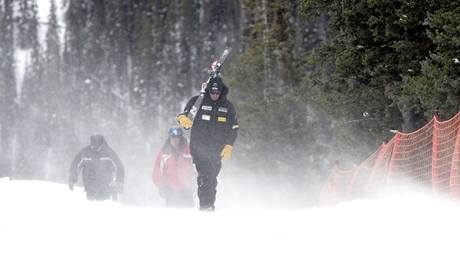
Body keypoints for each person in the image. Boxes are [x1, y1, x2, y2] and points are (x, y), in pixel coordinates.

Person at [176, 76, 239, 211]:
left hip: (217, 150)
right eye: (212, 92)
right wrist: (183, 119)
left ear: (222, 92)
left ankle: (208, 205)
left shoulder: (228, 107)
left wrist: (229, 145)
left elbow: (234, 128)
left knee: (212, 177)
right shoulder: (198, 102)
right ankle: (205, 205)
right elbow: (184, 115)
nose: (215, 95)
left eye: (217, 93)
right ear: (209, 91)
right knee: (205, 175)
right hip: (199, 147)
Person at [69, 134, 124, 201]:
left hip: (105, 186)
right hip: (90, 186)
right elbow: (75, 164)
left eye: (97, 146)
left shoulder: (109, 152)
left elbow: (119, 166)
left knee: (104, 205)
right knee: (92, 206)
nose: (95, 147)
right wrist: (72, 179)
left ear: (101, 144)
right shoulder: (85, 152)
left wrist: (119, 182)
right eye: (93, 145)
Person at [152, 127, 195, 208]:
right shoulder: (164, 153)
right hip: (170, 190)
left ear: (181, 138)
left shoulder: (189, 151)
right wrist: (161, 186)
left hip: (186, 189)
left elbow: (195, 169)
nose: (175, 139)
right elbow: (157, 171)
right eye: (173, 137)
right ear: (169, 137)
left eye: (177, 137)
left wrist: (194, 184)